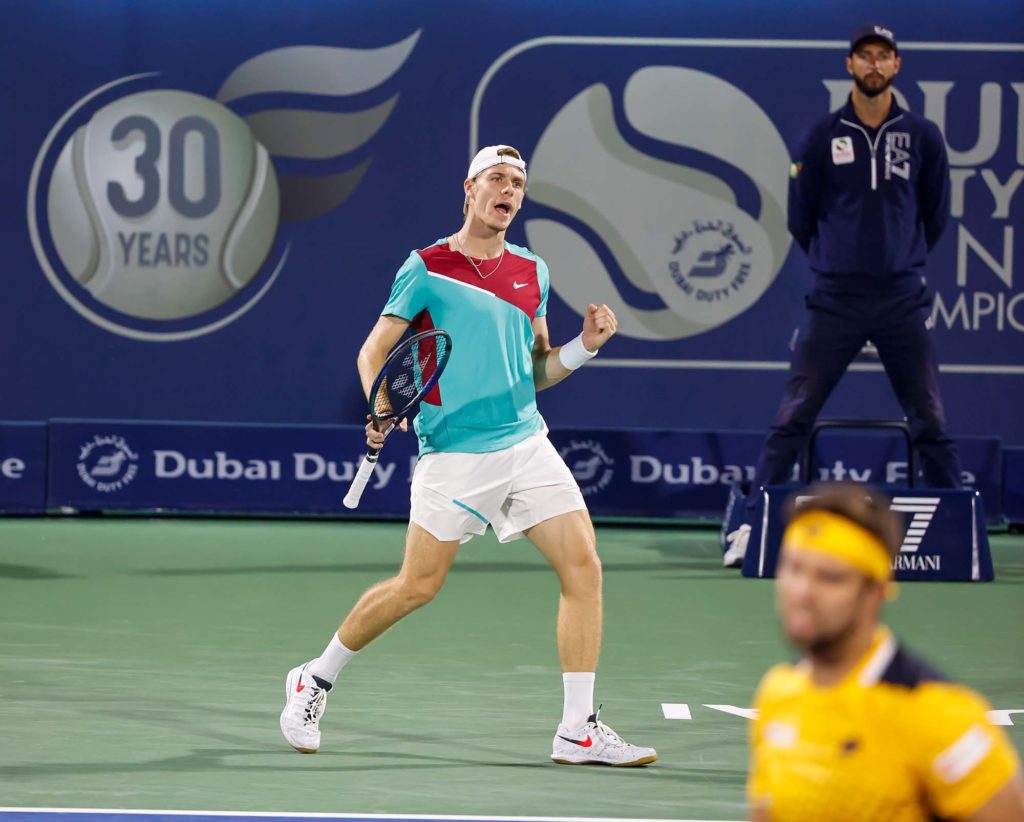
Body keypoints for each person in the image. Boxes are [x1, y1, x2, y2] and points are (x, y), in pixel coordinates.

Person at [279, 144, 656, 767]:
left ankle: (577, 729)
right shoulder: (427, 266)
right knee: (417, 587)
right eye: (498, 181)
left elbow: (535, 370)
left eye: (518, 184)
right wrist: (379, 407)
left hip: (526, 442)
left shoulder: (532, 271)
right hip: (454, 453)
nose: (508, 192)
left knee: (583, 567)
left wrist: (583, 347)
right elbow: (374, 351)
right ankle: (314, 678)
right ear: (470, 189)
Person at [724, 23, 962, 567]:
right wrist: (840, 262)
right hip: (835, 299)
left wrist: (896, 260)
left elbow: (935, 215)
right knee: (794, 416)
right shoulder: (821, 136)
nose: (874, 65)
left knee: (930, 419)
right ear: (849, 66)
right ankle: (751, 529)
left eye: (883, 57)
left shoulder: (923, 137)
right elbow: (801, 217)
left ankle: (954, 532)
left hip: (903, 297)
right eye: (864, 57)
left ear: (896, 66)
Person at [748, 482, 1024, 821]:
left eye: (830, 578)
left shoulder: (940, 715)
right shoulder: (777, 693)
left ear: (876, 592)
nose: (802, 592)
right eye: (793, 568)